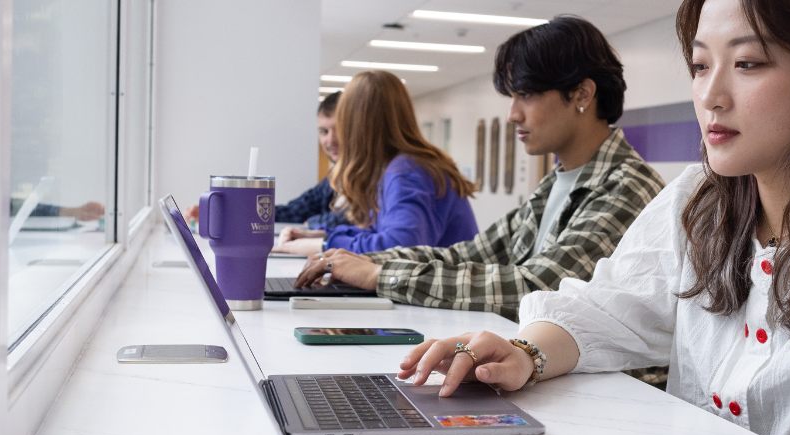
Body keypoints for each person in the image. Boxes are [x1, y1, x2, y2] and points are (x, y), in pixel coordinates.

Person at [393, 0, 790, 435]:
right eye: (700, 65)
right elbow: (611, 310)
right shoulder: (700, 201)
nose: (712, 94)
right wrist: (522, 352)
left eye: (750, 63)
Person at [292, 16, 666, 323]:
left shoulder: (626, 186)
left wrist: (380, 275)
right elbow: (469, 254)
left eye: (527, 95)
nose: (513, 114)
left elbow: (538, 287)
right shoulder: (555, 183)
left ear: (582, 94)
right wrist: (360, 261)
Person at [274, 70, 478, 255]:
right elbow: (376, 231)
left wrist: (323, 246)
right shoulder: (401, 166)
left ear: (356, 125)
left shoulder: (407, 171)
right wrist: (320, 236)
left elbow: (400, 247)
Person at [272, 91, 349, 230]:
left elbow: (354, 218)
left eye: (339, 130)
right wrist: (252, 213)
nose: (331, 140)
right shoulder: (334, 176)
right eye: (324, 132)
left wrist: (314, 223)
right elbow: (297, 210)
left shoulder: (374, 174)